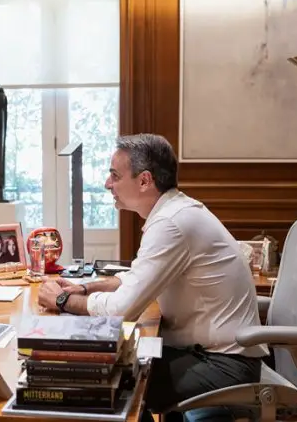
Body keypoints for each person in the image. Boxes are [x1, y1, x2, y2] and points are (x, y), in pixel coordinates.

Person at [38, 134, 268, 422]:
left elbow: (121, 311)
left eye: (114, 175)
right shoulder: (174, 212)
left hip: (224, 365)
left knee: (104, 379)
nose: (108, 184)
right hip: (213, 354)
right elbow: (134, 277)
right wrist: (82, 287)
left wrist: (62, 300)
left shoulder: (171, 223)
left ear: (144, 180)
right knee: (112, 364)